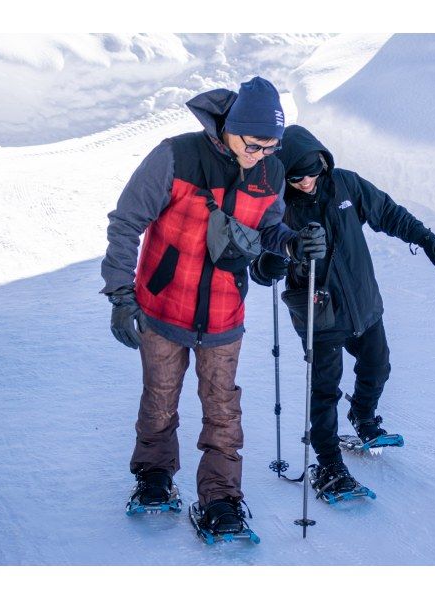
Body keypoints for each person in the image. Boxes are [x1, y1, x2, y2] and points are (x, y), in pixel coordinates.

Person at [100, 78, 325, 533]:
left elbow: (268, 229)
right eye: (255, 144)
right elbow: (126, 224)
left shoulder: (271, 172)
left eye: (272, 147)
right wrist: (121, 295)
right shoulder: (175, 156)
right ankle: (155, 477)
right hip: (162, 307)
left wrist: (294, 244)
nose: (262, 155)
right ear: (232, 128)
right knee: (160, 399)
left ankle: (221, 500)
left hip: (224, 313)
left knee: (223, 409)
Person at [251, 124, 435, 497]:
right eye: (296, 176)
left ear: (324, 163)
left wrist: (424, 237)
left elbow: (387, 212)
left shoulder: (345, 185)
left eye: (312, 172)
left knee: (378, 365)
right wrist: (279, 259)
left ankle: (362, 414)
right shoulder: (275, 207)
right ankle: (328, 463)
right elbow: (260, 268)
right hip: (319, 312)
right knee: (324, 390)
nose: (306, 181)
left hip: (362, 302)